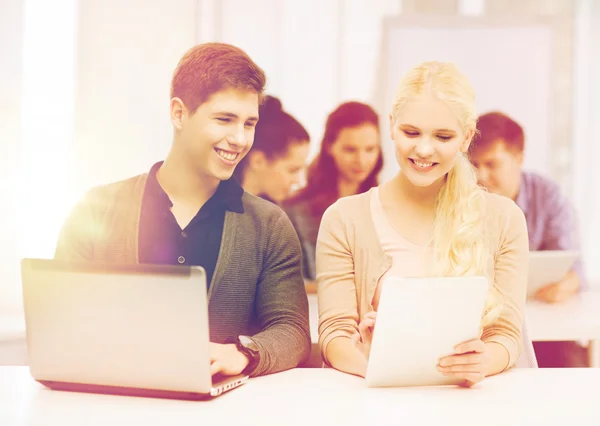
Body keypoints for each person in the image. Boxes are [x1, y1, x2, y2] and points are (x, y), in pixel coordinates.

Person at [54, 43, 311, 377]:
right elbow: (59, 317)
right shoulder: (97, 209)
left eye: (249, 124)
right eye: (224, 119)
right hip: (113, 402)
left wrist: (244, 354)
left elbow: (292, 330)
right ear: (178, 113)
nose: (239, 138)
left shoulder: (270, 225)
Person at [317, 62, 528, 387]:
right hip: (377, 402)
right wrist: (372, 361)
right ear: (391, 126)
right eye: (411, 133)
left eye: (443, 136)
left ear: (466, 137)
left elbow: (506, 335)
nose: (424, 149)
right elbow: (334, 334)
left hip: (470, 405)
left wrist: (481, 363)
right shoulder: (344, 219)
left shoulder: (504, 219)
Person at [469, 111, 588, 367]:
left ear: (519, 158)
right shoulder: (461, 198)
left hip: (542, 319)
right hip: (481, 325)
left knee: (569, 365)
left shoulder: (548, 196)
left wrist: (566, 284)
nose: (481, 176)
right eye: (474, 164)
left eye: (492, 164)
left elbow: (575, 270)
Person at [284, 101, 383, 290]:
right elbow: (285, 283)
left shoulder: (384, 206)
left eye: (370, 149)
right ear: (330, 146)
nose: (361, 160)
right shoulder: (294, 211)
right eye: (350, 150)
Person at [234, 95, 310, 204]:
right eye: (292, 170)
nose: (297, 181)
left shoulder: (274, 216)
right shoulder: (215, 210)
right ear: (258, 161)